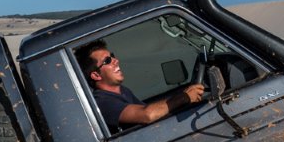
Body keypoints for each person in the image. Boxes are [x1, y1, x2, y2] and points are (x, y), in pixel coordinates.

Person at [76, 40, 205, 134]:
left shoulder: (122, 91)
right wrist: (184, 98)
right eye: (107, 61)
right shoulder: (103, 102)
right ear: (96, 75)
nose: (116, 60)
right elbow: (147, 115)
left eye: (113, 56)